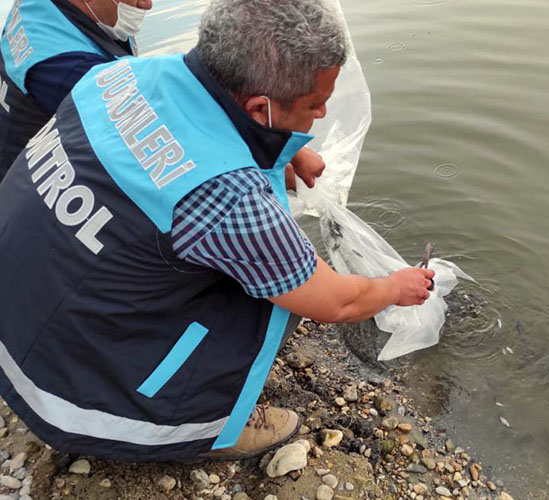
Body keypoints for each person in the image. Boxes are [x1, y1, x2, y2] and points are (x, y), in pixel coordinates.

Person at [0, 0, 434, 461]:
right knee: (277, 300)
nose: (324, 114)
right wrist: (393, 288)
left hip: (14, 317)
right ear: (260, 107)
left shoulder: (123, 75)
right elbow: (337, 301)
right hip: (62, 401)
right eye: (314, 103)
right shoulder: (229, 197)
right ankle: (197, 425)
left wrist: (280, 151)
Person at [0, 0, 152, 179]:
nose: (146, 4)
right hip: (35, 189)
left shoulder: (38, 8)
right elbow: (144, 143)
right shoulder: (68, 69)